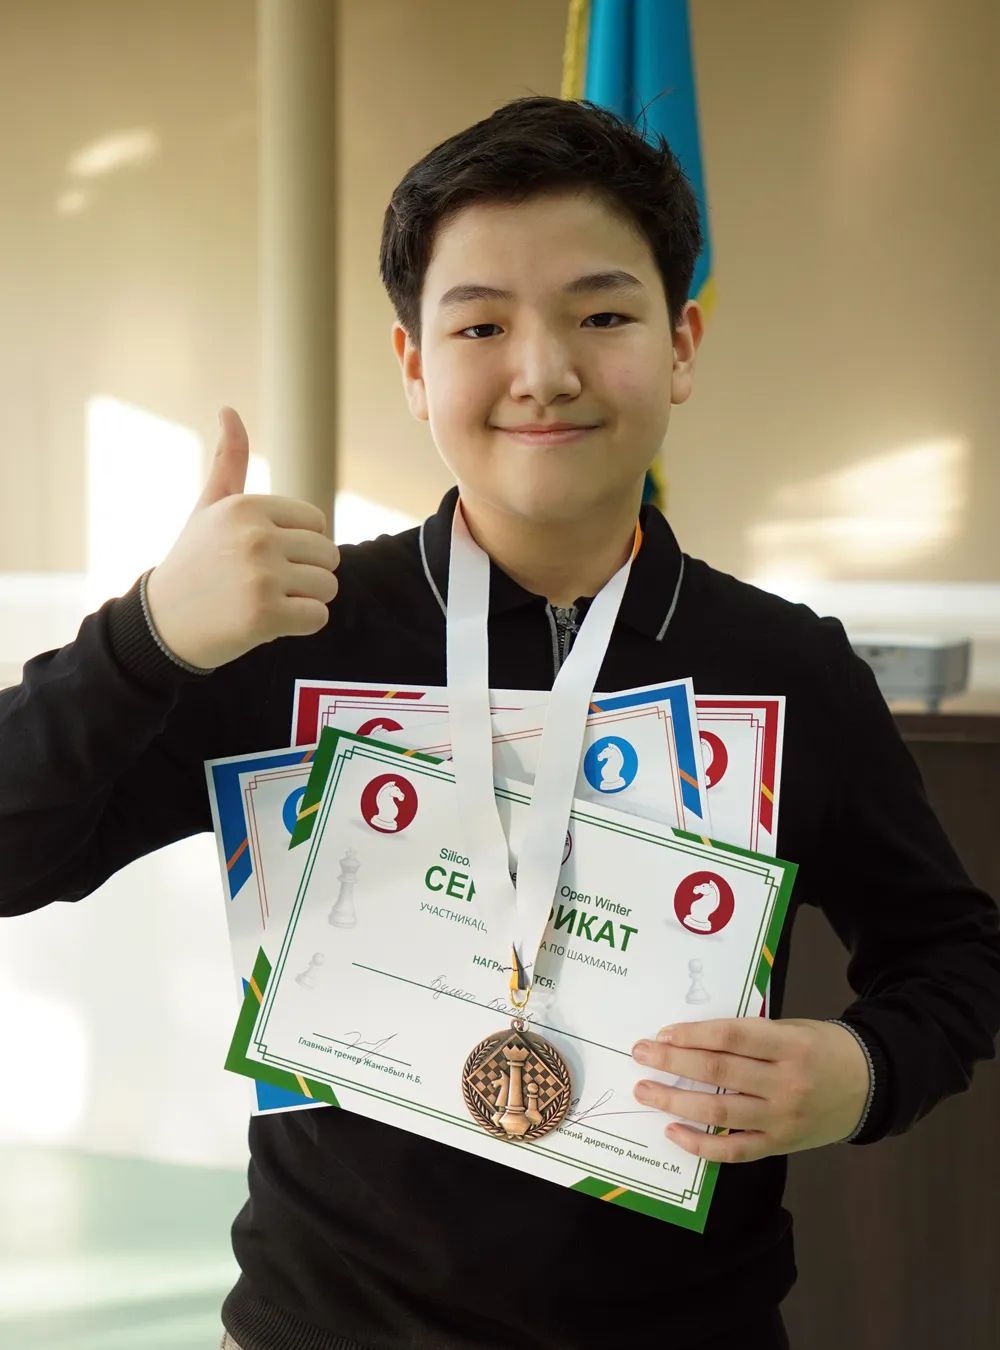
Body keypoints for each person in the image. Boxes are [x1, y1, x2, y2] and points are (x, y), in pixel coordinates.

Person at [2, 95, 999, 1350]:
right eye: (480, 324)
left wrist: (863, 1073)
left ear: (682, 344)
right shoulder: (291, 634)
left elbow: (955, 956)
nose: (544, 371)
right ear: (415, 365)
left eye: (603, 315)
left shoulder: (785, 665)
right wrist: (147, 635)